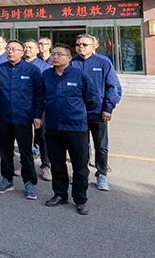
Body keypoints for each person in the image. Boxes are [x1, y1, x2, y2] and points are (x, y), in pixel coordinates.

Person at [42, 43, 101, 215]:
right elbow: (40, 97)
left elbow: (92, 98)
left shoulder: (79, 75)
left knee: (80, 166)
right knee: (57, 164)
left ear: (69, 58)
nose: (55, 57)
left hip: (76, 128)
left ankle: (80, 199)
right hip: (53, 127)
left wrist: (85, 117)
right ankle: (60, 194)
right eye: (53, 54)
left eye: (60, 54)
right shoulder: (46, 75)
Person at [0, 40, 44, 200]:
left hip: (24, 118)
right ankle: (7, 179)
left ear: (22, 52)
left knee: (25, 152)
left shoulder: (32, 70)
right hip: (4, 117)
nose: (10, 52)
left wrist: (37, 115)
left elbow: (39, 95)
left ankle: (30, 182)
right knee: (5, 151)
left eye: (14, 49)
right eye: (8, 49)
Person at [71, 34, 122, 191]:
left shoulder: (103, 62)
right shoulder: (72, 62)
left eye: (85, 44)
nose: (81, 47)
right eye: (78, 44)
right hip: (78, 112)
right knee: (80, 145)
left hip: (98, 112)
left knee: (101, 145)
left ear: (94, 46)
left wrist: (108, 108)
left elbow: (113, 87)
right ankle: (81, 173)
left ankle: (101, 174)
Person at [24, 38, 52, 181]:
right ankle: (25, 164)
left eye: (30, 47)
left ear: (36, 50)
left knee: (42, 136)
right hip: (22, 107)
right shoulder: (19, 64)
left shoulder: (44, 66)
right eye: (25, 47)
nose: (27, 50)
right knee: (24, 137)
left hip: (39, 107)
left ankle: (46, 165)